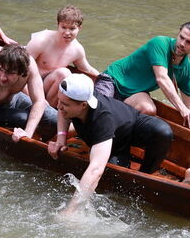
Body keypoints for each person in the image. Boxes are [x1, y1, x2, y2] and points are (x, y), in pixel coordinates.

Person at [48, 74, 174, 214]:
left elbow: (95, 170)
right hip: (115, 145)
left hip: (131, 125)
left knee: (163, 132)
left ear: (84, 105)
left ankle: (145, 176)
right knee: (116, 181)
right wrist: (61, 138)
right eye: (59, 101)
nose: (58, 106)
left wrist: (70, 210)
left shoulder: (102, 119)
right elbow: (62, 110)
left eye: (64, 104)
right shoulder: (80, 94)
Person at [95, 23, 190, 128]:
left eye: (189, 42)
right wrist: (182, 109)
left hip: (134, 94)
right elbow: (162, 78)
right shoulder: (160, 43)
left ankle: (114, 123)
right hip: (113, 81)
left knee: (149, 109)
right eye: (181, 37)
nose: (182, 43)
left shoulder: (187, 69)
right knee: (97, 111)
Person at [26, 5, 100, 107]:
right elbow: (21, 68)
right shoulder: (41, 41)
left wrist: (104, 77)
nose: (67, 33)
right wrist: (30, 95)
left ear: (79, 28)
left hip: (49, 87)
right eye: (63, 27)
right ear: (58, 25)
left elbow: (87, 69)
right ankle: (43, 107)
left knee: (64, 73)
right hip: (31, 83)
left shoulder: (77, 50)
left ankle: (48, 109)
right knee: (64, 73)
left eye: (72, 28)